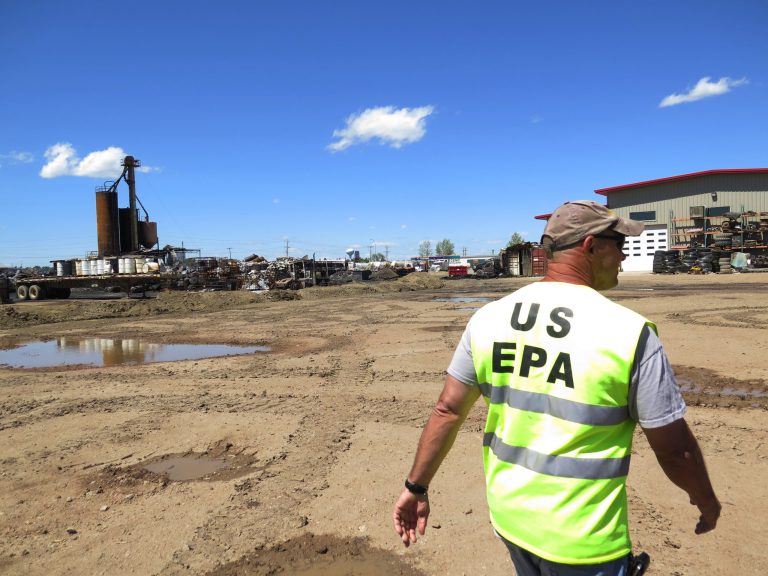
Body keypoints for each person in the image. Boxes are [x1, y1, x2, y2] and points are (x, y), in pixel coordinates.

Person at [392, 200, 720, 575]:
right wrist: (706, 499)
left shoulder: (488, 319)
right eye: (620, 244)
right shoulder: (630, 334)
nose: (625, 255)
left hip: (512, 521)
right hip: (583, 541)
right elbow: (676, 451)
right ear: (591, 246)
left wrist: (415, 488)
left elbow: (448, 410)